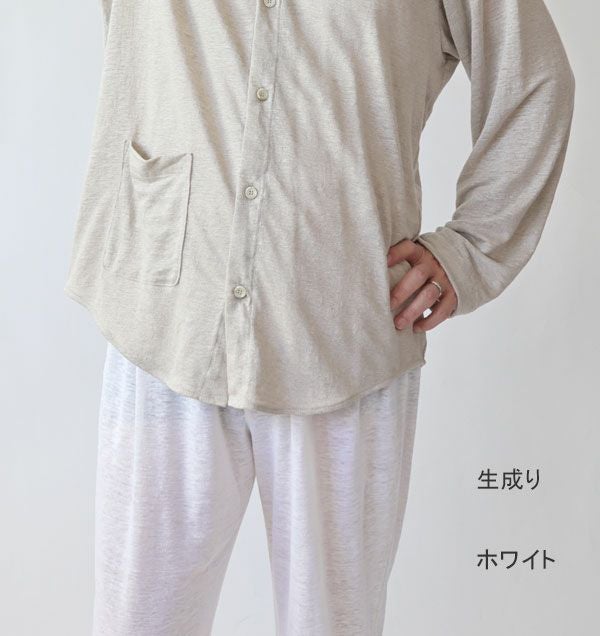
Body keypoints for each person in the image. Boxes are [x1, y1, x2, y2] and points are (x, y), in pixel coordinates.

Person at [63, 1, 575, 634]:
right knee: (136, 621)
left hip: (342, 326)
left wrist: (472, 248)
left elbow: (535, 76)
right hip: (168, 308)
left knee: (331, 623)